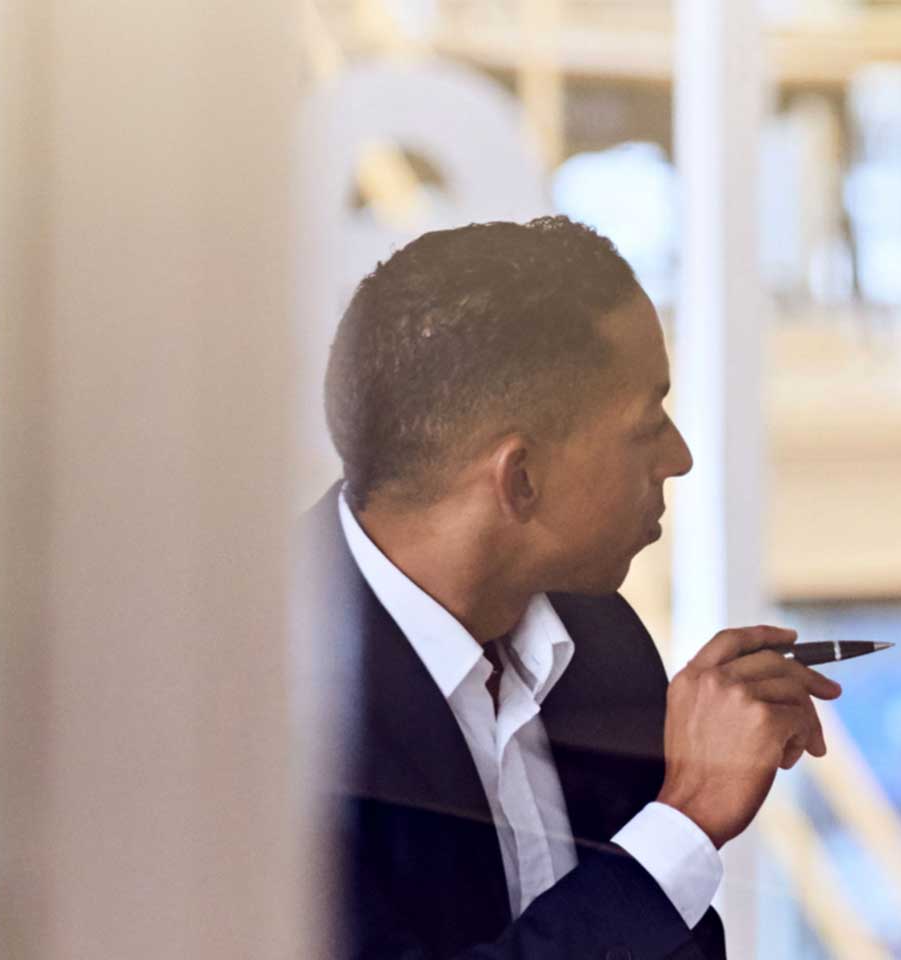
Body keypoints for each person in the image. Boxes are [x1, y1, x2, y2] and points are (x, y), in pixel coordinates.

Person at [320, 217, 841, 958]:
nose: (680, 458)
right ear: (521, 479)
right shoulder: (251, 710)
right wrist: (686, 820)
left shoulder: (601, 641)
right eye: (648, 424)